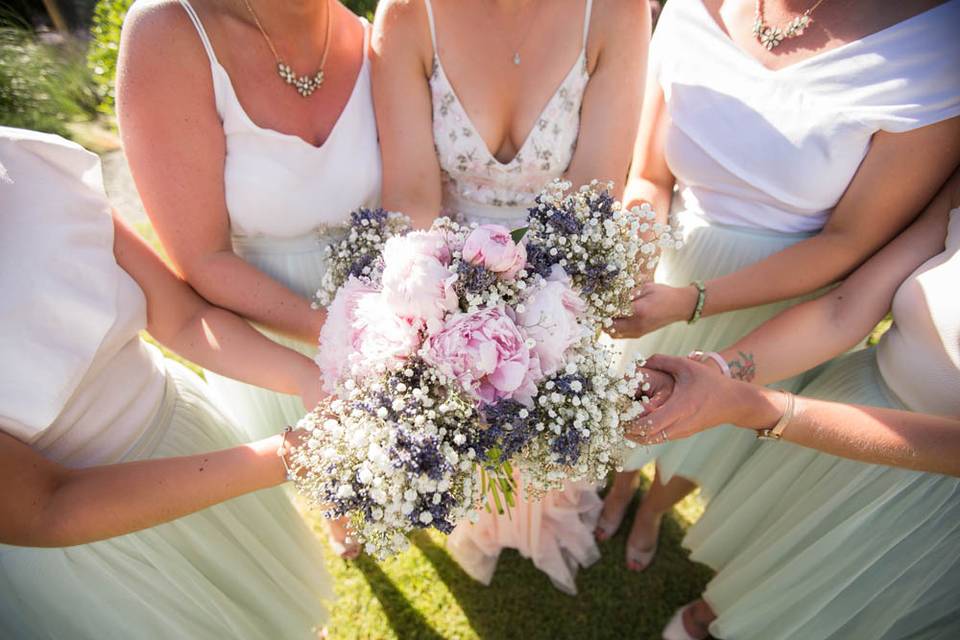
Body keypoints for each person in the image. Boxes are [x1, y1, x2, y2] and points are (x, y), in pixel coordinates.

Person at [599, 0, 960, 573]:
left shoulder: (939, 52)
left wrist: (690, 302)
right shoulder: (694, 9)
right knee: (628, 393)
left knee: (706, 428)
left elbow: (848, 242)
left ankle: (653, 511)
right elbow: (649, 174)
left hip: (781, 290)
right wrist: (637, 269)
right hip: (667, 256)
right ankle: (618, 489)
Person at [0, 128, 332, 639]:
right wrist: (286, 454)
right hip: (94, 552)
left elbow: (181, 318)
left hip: (190, 436)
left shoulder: (25, 163)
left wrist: (309, 376)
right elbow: (46, 506)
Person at [371, 0, 649, 593]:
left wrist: (539, 308)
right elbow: (412, 192)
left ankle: (541, 516)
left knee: (549, 416)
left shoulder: (615, 13)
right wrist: (447, 309)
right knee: (462, 413)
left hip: (563, 268)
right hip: (445, 267)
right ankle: (479, 517)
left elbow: (595, 188)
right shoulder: (408, 14)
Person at [630, 170, 960, 639]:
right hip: (852, 402)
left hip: (931, 496)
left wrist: (755, 406)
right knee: (767, 555)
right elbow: (841, 311)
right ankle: (705, 616)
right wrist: (715, 373)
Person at [116, 0, 380, 557]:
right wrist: (346, 337)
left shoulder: (379, 31)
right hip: (265, 318)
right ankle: (339, 517)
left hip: (383, 305)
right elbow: (201, 258)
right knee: (328, 465)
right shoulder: (171, 32)